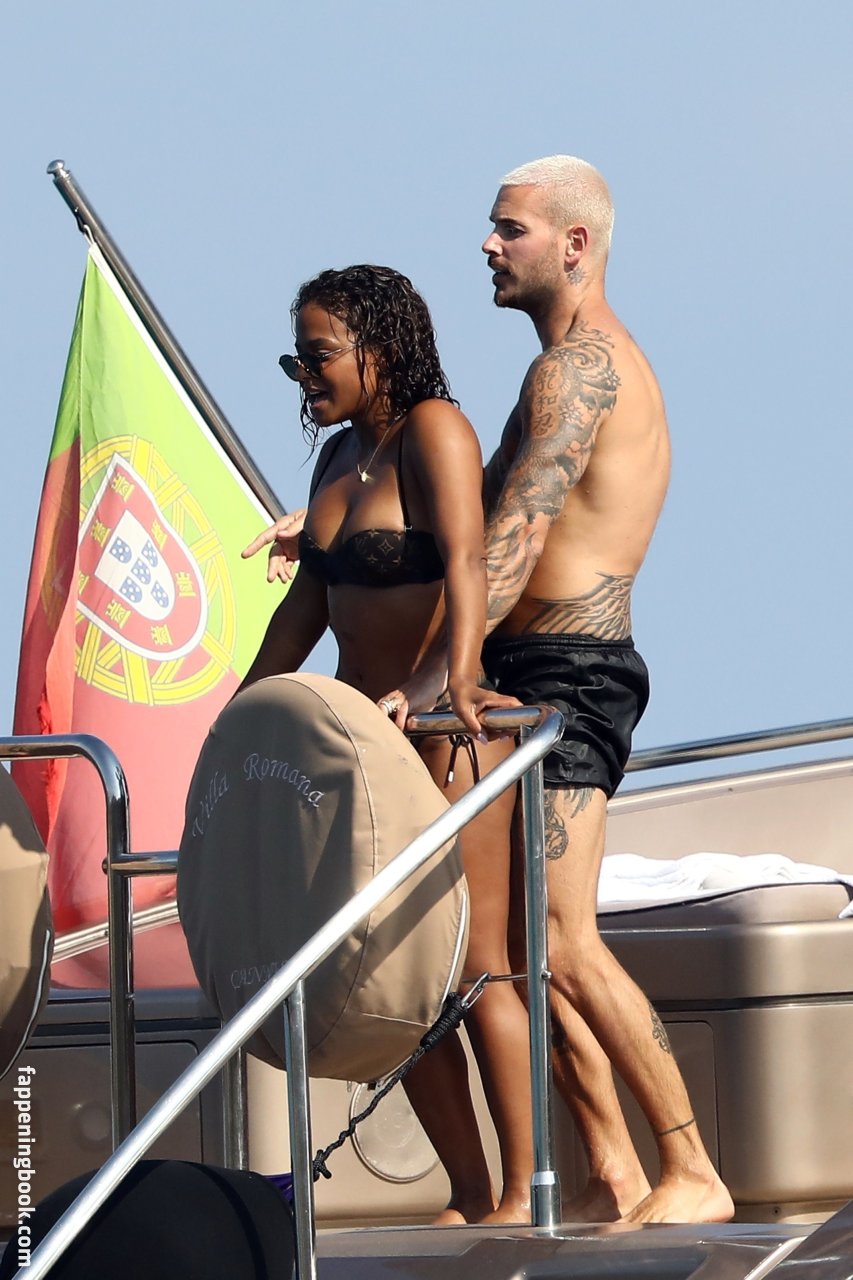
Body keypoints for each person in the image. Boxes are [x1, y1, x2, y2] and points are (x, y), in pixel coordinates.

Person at [448, 154, 732, 1225]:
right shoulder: (557, 370)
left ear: (574, 244)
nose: (487, 245)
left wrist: (443, 672)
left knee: (562, 939)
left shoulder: (579, 371)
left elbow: (514, 540)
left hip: (570, 676)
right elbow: (472, 521)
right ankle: (613, 1172)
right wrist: (336, 532)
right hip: (529, 676)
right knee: (521, 949)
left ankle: (692, 1167)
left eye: (508, 228)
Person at [240, 264, 534, 1224]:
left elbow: (468, 562)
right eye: (295, 359)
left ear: (378, 348)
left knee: (474, 968)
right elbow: (305, 608)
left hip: (450, 734)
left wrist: (448, 680)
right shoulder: (336, 459)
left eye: (317, 355)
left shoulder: (434, 430)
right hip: (364, 754)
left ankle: (524, 1192)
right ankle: (470, 1189)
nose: (304, 376)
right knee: (401, 982)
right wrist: (241, 715)